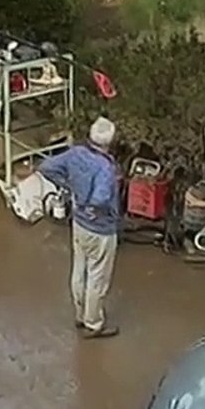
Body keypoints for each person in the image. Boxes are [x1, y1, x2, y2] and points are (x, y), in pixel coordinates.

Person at [37, 116, 122, 338]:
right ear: (110, 141)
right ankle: (93, 323)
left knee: (79, 269)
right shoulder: (105, 168)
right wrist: (93, 206)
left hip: (79, 223)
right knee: (97, 277)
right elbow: (101, 197)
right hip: (100, 229)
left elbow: (46, 167)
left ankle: (79, 314)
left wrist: (69, 187)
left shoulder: (75, 153)